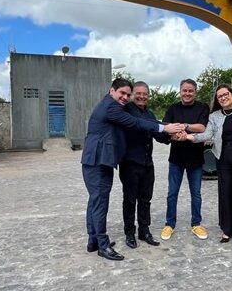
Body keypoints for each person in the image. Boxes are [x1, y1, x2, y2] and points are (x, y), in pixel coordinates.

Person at [82, 78, 184, 261]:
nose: (125, 97)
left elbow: (152, 130)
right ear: (111, 90)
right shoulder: (113, 107)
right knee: (101, 203)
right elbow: (136, 123)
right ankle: (102, 245)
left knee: (96, 201)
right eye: (123, 93)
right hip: (100, 161)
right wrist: (165, 126)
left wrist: (170, 134)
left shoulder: (120, 107)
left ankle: (94, 240)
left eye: (127, 95)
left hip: (104, 161)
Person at [184, 84, 232, 247]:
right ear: (217, 100)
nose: (223, 97)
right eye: (220, 96)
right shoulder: (214, 116)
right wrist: (190, 137)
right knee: (225, 194)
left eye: (226, 94)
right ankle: (227, 229)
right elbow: (207, 134)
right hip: (223, 159)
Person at [120, 81, 169, 249]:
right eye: (138, 93)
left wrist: (174, 135)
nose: (141, 97)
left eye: (145, 94)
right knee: (130, 200)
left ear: (148, 96)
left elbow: (159, 134)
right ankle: (129, 232)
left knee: (145, 199)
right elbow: (141, 125)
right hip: (130, 163)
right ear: (132, 95)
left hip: (148, 164)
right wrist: (165, 128)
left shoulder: (149, 113)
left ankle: (144, 230)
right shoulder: (126, 111)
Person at [160, 79, 210, 241]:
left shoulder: (203, 107)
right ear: (180, 91)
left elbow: (202, 128)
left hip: (196, 159)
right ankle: (169, 224)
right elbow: (166, 128)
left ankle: (196, 223)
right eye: (184, 90)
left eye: (191, 91)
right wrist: (178, 135)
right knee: (172, 193)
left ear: (195, 92)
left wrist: (182, 126)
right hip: (176, 159)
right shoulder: (172, 108)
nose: (187, 93)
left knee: (196, 194)